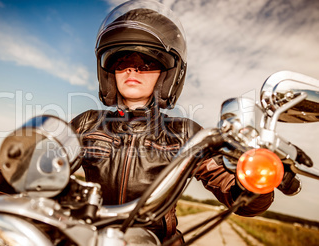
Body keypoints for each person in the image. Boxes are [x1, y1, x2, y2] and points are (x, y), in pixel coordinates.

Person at [69, 0, 274, 244]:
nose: (132, 70)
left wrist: (255, 178)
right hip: (89, 238)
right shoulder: (87, 123)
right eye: (121, 61)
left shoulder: (185, 133)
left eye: (146, 63)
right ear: (110, 72)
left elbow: (234, 192)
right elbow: (39, 168)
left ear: (166, 75)